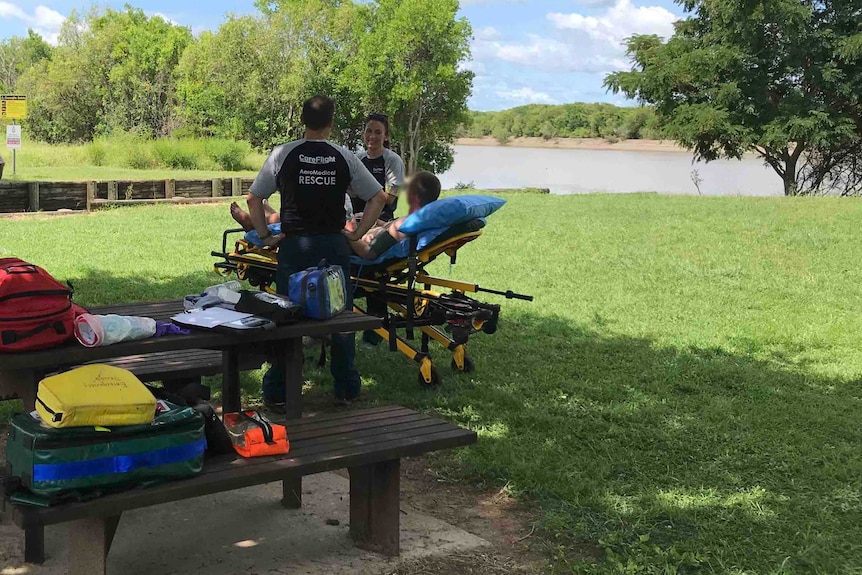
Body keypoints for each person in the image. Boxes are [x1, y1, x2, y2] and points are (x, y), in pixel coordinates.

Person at [247, 94, 388, 410]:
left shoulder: (282, 154)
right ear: (331, 123)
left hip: (295, 247)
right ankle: (347, 389)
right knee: (338, 315)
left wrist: (264, 235)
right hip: (333, 246)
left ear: (302, 121)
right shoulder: (344, 157)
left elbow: (254, 199)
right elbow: (379, 198)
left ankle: (278, 392)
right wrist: (358, 234)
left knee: (285, 319)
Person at [349, 171, 441, 260]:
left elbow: (369, 253)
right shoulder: (417, 219)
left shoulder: (404, 224)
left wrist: (349, 229)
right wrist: (375, 221)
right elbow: (390, 230)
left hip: (353, 249)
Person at [353, 113, 405, 222]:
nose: (372, 136)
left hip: (380, 220)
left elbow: (390, 199)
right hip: (355, 218)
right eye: (369, 131)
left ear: (386, 136)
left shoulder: (393, 160)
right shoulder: (356, 159)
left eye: (378, 132)